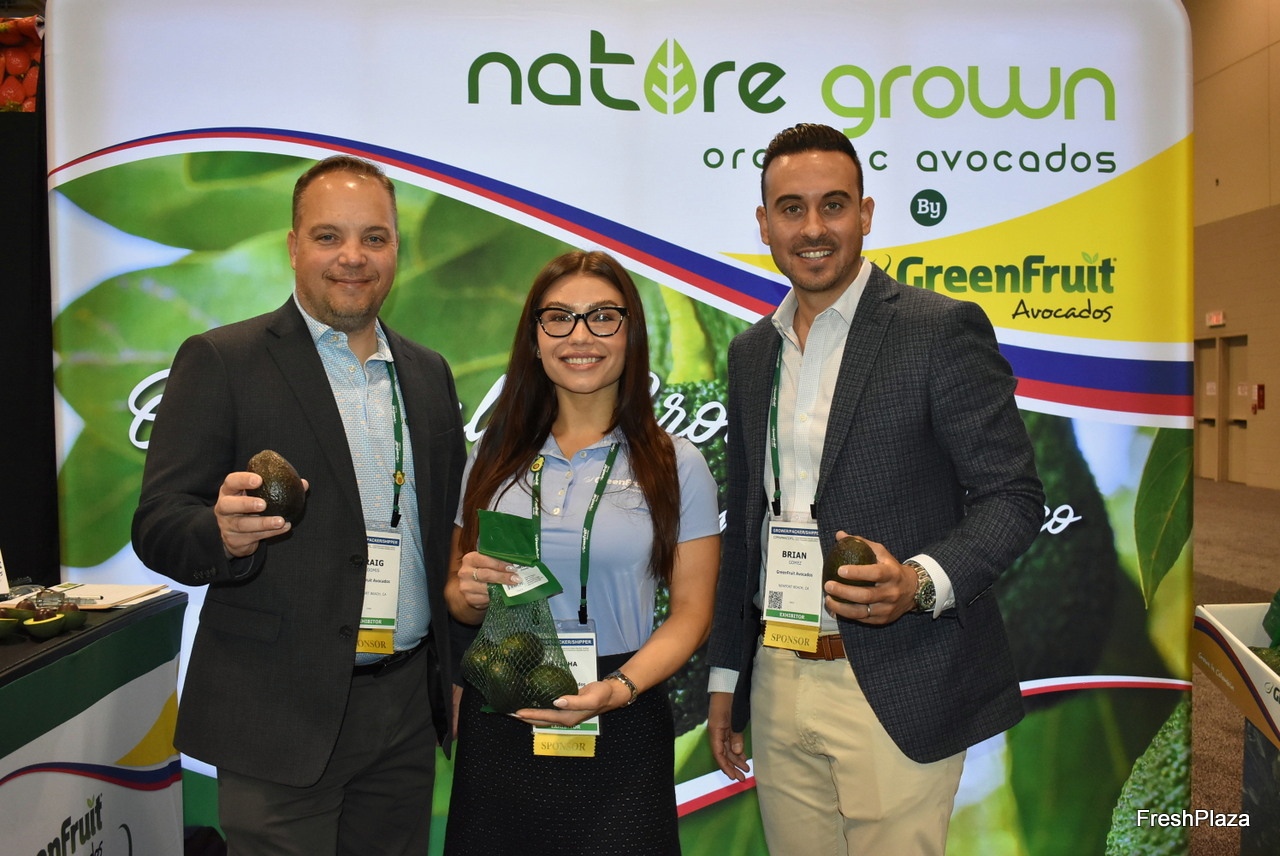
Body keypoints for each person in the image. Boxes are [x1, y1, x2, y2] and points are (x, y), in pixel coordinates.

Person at [705, 123, 1044, 855]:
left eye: (833, 205)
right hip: (778, 673)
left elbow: (1012, 496)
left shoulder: (938, 330)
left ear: (864, 214)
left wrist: (918, 584)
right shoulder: (751, 353)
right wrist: (728, 673)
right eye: (791, 208)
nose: (813, 228)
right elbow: (747, 526)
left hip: (897, 679)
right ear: (764, 224)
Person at [131, 155, 466, 856]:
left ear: (396, 249)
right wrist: (221, 533)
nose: (353, 257)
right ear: (292, 247)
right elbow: (158, 524)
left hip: (405, 709)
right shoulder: (222, 360)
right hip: (276, 712)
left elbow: (444, 538)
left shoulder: (429, 372)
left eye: (374, 237)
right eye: (328, 236)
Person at [443, 250, 721, 855]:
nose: (580, 336)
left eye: (602, 316)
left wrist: (618, 688)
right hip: (505, 714)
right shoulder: (492, 457)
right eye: (559, 317)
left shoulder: (677, 464)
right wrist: (466, 595)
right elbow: (460, 600)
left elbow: (693, 613)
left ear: (630, 333)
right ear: (535, 338)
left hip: (622, 710)